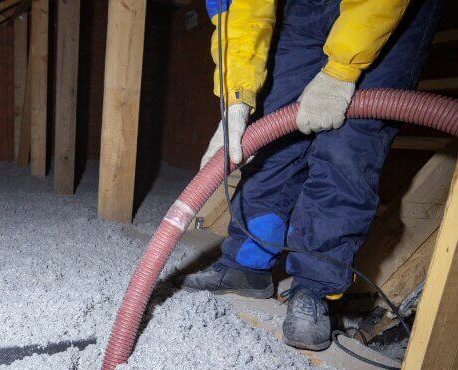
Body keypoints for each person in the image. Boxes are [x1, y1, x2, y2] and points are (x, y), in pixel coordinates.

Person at [181, 0, 442, 351]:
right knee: (272, 136)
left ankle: (313, 288)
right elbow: (240, 14)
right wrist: (236, 98)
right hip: (302, 8)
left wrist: (341, 72)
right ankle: (248, 262)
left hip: (388, 15)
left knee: (348, 151)